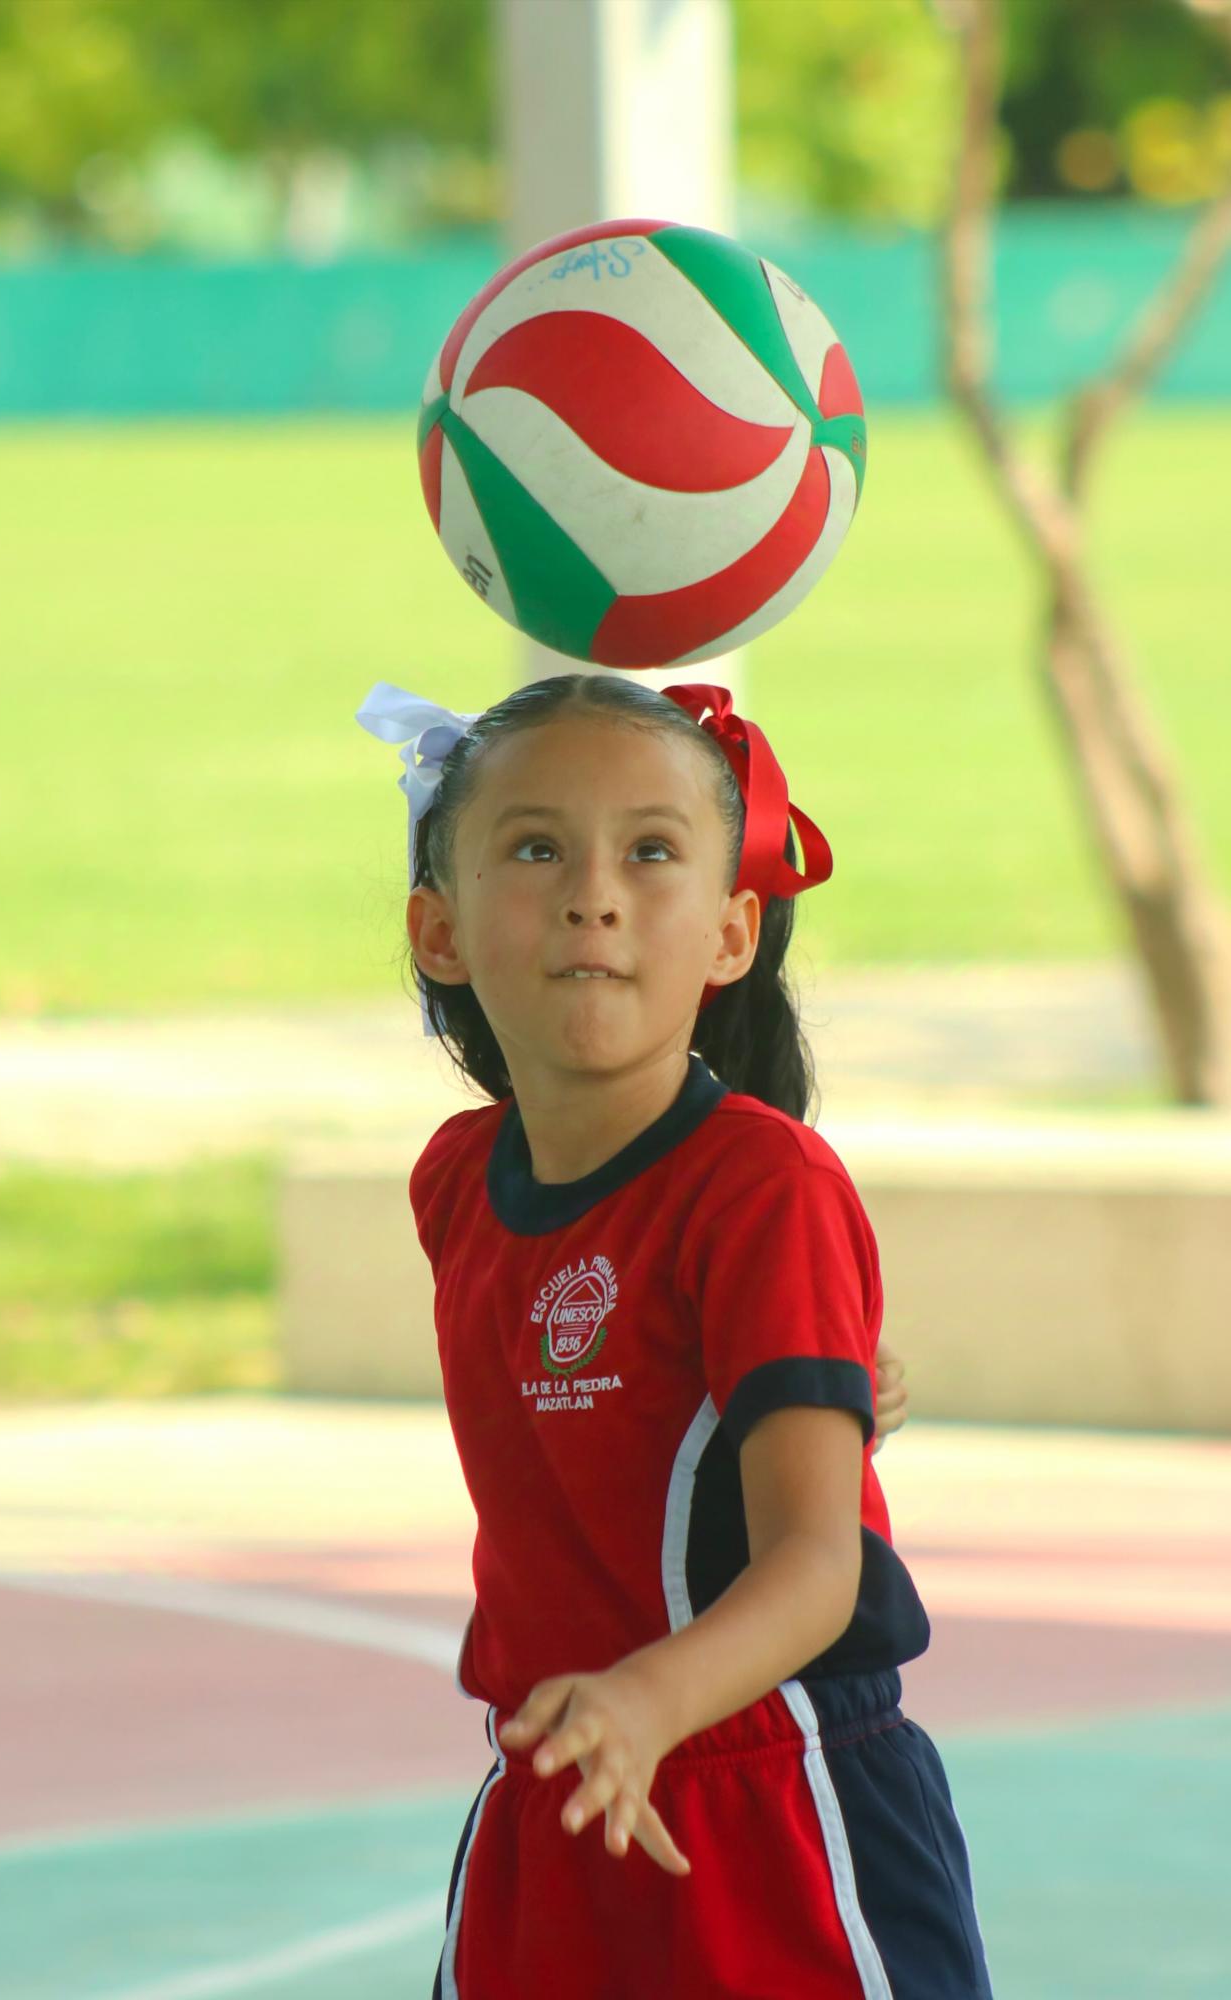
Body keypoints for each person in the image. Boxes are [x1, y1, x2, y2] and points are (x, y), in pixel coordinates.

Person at [356, 672, 991, 2000]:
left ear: (730, 933)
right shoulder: (456, 1181)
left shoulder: (764, 1185)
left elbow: (817, 1564)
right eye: (536, 848)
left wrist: (649, 1697)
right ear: (439, 930)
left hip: (771, 1797)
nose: (593, 893)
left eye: (650, 852)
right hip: (560, 1792)